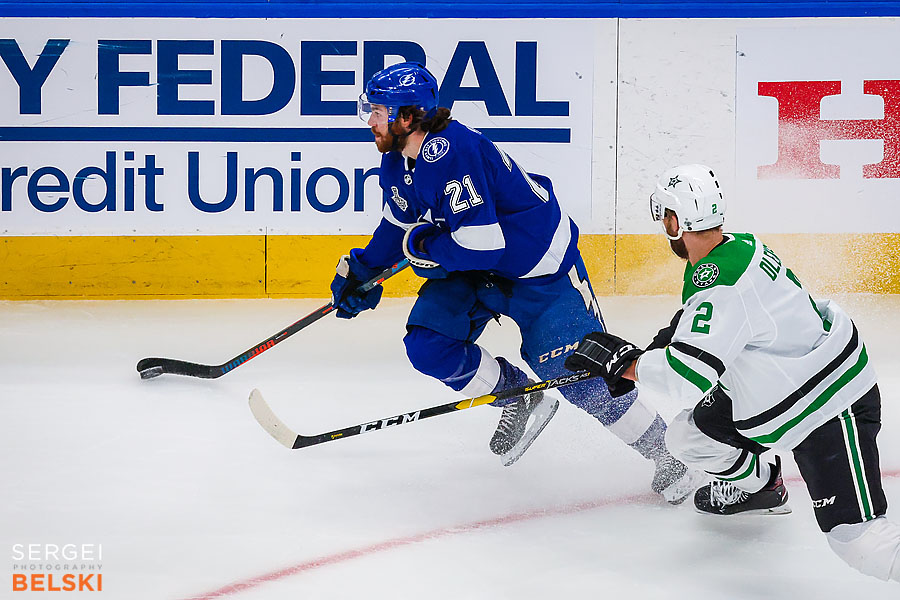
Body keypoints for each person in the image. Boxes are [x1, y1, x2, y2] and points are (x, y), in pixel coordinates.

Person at [328, 61, 699, 502]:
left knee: (579, 376)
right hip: (481, 271)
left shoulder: (451, 154)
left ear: (407, 117)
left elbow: (483, 245)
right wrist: (365, 271)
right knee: (428, 342)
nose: (370, 120)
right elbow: (399, 226)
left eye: (378, 110)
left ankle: (668, 453)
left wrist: (424, 250)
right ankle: (518, 397)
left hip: (541, 272)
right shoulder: (397, 163)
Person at [565, 163, 900, 582]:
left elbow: (687, 378)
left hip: (828, 406)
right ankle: (761, 487)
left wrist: (627, 364)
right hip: (777, 389)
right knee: (689, 437)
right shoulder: (738, 246)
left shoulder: (720, 284)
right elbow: (725, 315)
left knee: (861, 543)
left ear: (674, 221)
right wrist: (673, 334)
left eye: (664, 216)